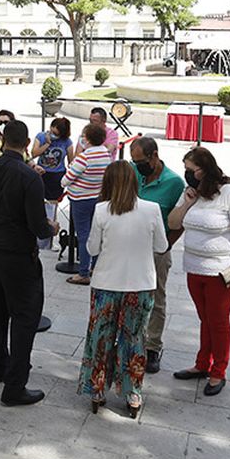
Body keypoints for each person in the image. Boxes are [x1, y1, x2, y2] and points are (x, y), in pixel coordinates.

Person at [0, 120, 56, 406]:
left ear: (4, 140)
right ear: (26, 142)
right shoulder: (29, 177)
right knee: (24, 316)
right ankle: (15, 385)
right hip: (19, 255)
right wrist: (50, 228)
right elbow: (37, 225)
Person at [81, 161, 169, 417]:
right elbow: (161, 246)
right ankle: (133, 392)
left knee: (100, 338)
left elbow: (92, 249)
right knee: (134, 338)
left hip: (106, 283)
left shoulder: (101, 210)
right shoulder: (151, 209)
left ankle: (98, 388)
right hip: (140, 284)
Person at [168, 147, 230, 397]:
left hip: (221, 273)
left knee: (218, 321)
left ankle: (219, 371)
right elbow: (173, 223)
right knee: (205, 318)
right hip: (194, 269)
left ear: (204, 169)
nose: (187, 175)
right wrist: (187, 202)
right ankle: (202, 364)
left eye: (190, 170)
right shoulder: (192, 194)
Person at [129, 137, 184, 375]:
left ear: (154, 156)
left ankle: (152, 346)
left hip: (156, 249)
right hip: (130, 246)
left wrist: (165, 247)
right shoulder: (133, 173)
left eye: (140, 161)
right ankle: (131, 339)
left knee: (155, 298)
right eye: (134, 161)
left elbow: (179, 222)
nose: (137, 165)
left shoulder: (173, 183)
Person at [62, 123, 112, 285]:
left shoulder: (85, 157)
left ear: (88, 139)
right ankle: (95, 268)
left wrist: (70, 168)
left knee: (83, 236)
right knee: (96, 234)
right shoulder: (106, 155)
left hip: (80, 200)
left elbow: (65, 180)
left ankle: (83, 272)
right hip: (97, 198)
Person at [30, 117, 72, 249]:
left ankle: (49, 239)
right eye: (52, 131)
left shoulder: (66, 142)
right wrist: (47, 144)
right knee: (36, 204)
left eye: (56, 134)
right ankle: (35, 236)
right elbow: (33, 153)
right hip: (41, 173)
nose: (53, 135)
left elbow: (72, 160)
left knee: (52, 207)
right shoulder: (41, 136)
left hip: (57, 175)